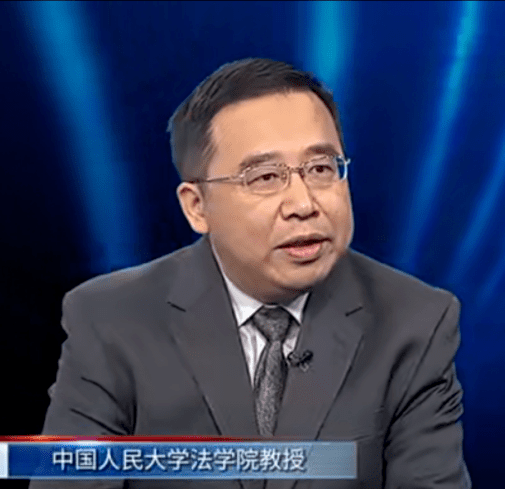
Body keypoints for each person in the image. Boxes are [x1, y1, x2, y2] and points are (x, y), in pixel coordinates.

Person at [33, 58, 470, 489]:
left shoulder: (415, 322)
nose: (303, 204)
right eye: (265, 177)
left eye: (321, 169)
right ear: (197, 207)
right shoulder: (111, 319)